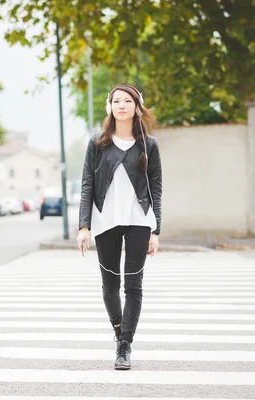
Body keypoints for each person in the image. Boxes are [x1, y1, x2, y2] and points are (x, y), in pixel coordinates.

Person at [76, 84, 162, 370]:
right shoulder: (97, 142)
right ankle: (118, 331)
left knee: (134, 285)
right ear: (109, 106)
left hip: (139, 220)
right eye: (116, 101)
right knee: (111, 284)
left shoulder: (149, 144)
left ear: (137, 107)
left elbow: (156, 188)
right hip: (105, 220)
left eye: (127, 101)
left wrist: (156, 229)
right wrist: (84, 226)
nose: (121, 105)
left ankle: (125, 345)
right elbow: (87, 183)